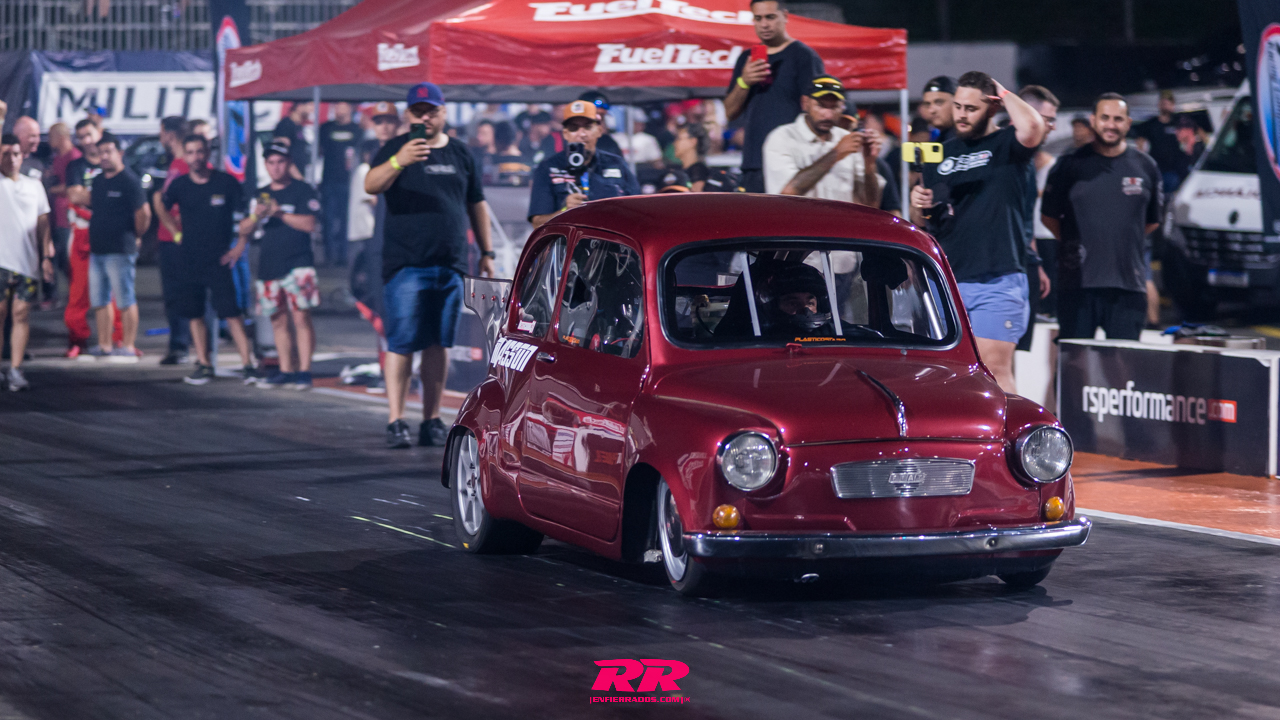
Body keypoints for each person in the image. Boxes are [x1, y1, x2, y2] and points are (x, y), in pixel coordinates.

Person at [364, 83, 494, 449]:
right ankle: (396, 420)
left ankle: (431, 419)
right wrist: (398, 161)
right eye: (419, 111)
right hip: (406, 263)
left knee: (439, 344)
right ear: (408, 114)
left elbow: (476, 203)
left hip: (450, 263)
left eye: (431, 110)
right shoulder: (394, 148)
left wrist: (487, 251)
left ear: (443, 112)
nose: (425, 117)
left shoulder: (461, 153)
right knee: (402, 343)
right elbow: (370, 185)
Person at [909, 71, 1047, 394]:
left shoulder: (1008, 144)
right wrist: (919, 203)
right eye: (958, 106)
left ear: (992, 107)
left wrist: (1002, 91)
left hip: (997, 279)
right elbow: (924, 220)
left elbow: (1034, 126)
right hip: (947, 282)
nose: (961, 114)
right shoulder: (940, 152)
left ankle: (1008, 429)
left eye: (971, 108)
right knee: (943, 375)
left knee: (993, 370)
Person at [1042, 93, 1161, 342]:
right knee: (1074, 361)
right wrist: (1077, 241)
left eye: (1118, 119)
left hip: (1128, 287)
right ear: (1093, 120)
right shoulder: (1068, 165)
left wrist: (1119, 238)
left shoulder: (1146, 166)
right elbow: (1048, 217)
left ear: (1128, 123)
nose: (1111, 125)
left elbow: (1151, 223)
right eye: (1105, 118)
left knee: (1123, 364)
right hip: (1077, 286)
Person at [159, 134, 256, 385]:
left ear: (208, 153)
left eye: (200, 151)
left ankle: (248, 365)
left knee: (232, 313)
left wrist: (239, 247)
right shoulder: (180, 185)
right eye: (190, 152)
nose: (196, 157)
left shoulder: (226, 183)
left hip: (220, 260)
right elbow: (159, 203)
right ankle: (204, 364)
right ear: (185, 156)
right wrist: (174, 232)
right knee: (195, 314)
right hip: (189, 258)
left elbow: (246, 218)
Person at [239, 142, 320, 390]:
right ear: (265, 165)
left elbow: (310, 224)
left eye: (280, 162)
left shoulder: (302, 190)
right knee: (277, 319)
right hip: (269, 263)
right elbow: (244, 229)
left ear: (289, 163)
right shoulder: (260, 193)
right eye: (271, 162)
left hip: (299, 261)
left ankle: (304, 370)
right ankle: (286, 370)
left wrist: (279, 213)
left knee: (301, 317)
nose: (276, 167)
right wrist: (257, 215)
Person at [724, 0, 825, 193]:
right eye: (758, 18)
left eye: (770, 17)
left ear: (785, 16)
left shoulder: (804, 56)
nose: (764, 24)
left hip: (791, 162)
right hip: (754, 163)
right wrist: (744, 82)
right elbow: (729, 112)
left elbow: (817, 111)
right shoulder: (746, 59)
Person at [764, 77, 883, 207]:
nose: (828, 115)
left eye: (834, 107)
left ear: (842, 106)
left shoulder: (846, 138)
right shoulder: (783, 137)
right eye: (821, 106)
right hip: (800, 220)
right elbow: (786, 194)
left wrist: (869, 164)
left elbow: (871, 204)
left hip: (840, 220)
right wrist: (836, 153)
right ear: (805, 103)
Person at [84, 133, 150, 362]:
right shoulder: (98, 181)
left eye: (108, 151)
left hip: (120, 250)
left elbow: (144, 214)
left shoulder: (129, 181)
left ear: (120, 153)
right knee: (100, 300)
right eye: (100, 152)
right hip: (97, 250)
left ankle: (128, 346)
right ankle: (105, 345)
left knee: (125, 298)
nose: (103, 156)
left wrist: (135, 235)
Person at [528, 100, 639, 228]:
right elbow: (537, 224)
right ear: (565, 134)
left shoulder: (616, 163)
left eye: (588, 127)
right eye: (574, 128)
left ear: (599, 130)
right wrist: (565, 210)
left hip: (612, 238)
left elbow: (638, 211)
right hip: (568, 239)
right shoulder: (548, 167)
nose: (581, 134)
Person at [0, 135, 54, 390]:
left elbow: (43, 223)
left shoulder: (34, 186)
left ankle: (15, 368)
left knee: (21, 314)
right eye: (5, 154)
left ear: (22, 156)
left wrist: (46, 257)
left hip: (27, 262)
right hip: (1, 263)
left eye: (15, 154)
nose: (11, 159)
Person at [64, 119, 121, 357]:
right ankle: (78, 340)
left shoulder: (116, 163)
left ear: (99, 132)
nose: (86, 141)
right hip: (83, 234)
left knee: (117, 290)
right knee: (79, 292)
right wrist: (107, 196)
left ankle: (118, 340)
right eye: (81, 137)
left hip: (112, 234)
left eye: (89, 134)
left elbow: (126, 195)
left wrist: (94, 196)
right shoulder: (76, 166)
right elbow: (74, 196)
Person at [151, 116, 195, 365]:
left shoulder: (185, 165)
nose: (160, 138)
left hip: (178, 239)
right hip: (168, 238)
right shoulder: (175, 164)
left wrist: (178, 231)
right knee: (173, 294)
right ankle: (179, 344)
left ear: (169, 134)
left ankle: (181, 345)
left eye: (161, 133)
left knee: (180, 294)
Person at [1017, 86, 1060, 327]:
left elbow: (1025, 220)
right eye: (1048, 119)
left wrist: (1035, 264)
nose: (1052, 127)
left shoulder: (1028, 162)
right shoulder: (1001, 155)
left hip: (1025, 265)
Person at [317, 102, 361, 268]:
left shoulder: (356, 129)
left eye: (341, 106)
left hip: (347, 181)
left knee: (345, 219)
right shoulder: (326, 128)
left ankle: (343, 255)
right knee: (328, 218)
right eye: (336, 107)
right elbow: (320, 150)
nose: (338, 110)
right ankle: (329, 255)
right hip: (329, 180)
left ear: (349, 108)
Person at [1132, 89, 1183, 193]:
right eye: (1164, 103)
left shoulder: (1179, 122)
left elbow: (1194, 133)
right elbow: (1139, 138)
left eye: (1169, 103)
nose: (1166, 106)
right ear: (1159, 105)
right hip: (1157, 170)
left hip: (1175, 171)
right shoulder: (1151, 124)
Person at [273, 102, 312, 181]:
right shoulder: (285, 125)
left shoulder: (299, 126)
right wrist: (297, 176)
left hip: (300, 174)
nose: (311, 110)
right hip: (290, 179)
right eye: (310, 106)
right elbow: (281, 154)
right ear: (299, 107)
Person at [671, 123, 710, 192]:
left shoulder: (698, 170)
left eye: (679, 139)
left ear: (693, 142)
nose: (674, 143)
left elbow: (697, 196)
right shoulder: (679, 169)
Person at [920, 76, 958, 143]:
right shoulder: (940, 138)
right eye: (927, 104)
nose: (931, 110)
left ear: (957, 103)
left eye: (939, 102)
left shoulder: (968, 141)